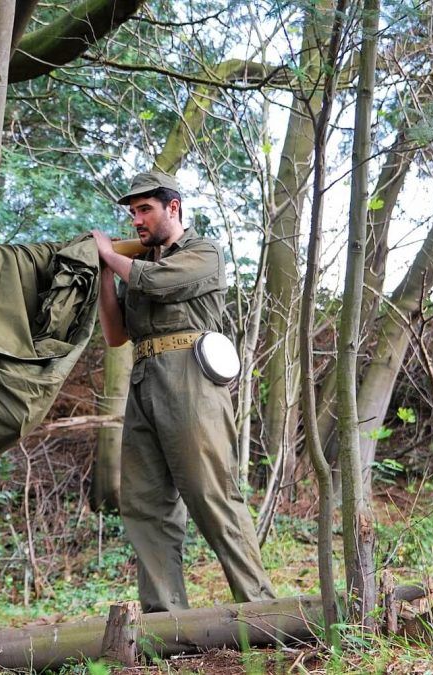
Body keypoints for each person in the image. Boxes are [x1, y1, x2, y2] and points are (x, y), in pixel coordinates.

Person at [91, 171, 274, 613]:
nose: (136, 220)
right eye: (132, 212)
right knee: (145, 505)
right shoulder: (137, 265)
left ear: (173, 208)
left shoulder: (202, 253)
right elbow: (116, 334)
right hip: (143, 381)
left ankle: (262, 609)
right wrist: (103, 272)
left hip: (191, 381)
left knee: (211, 495)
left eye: (145, 209)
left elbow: (156, 282)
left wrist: (108, 253)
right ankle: (164, 619)